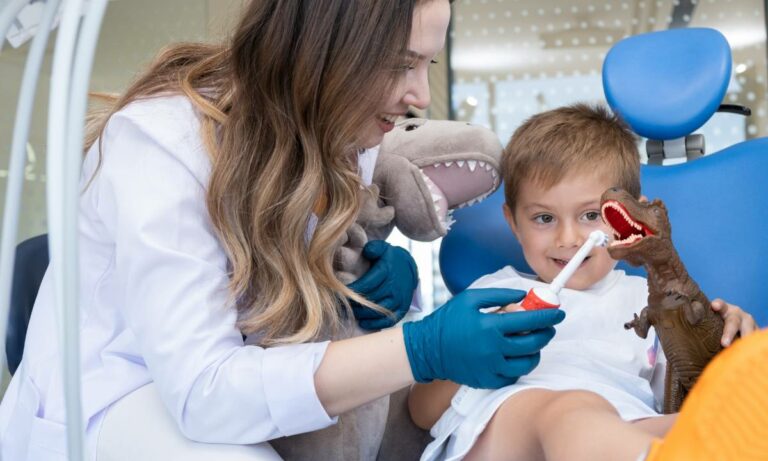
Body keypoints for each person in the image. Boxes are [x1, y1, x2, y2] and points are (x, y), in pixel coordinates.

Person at [0, 1, 568, 460]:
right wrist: (422, 348)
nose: (419, 94)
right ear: (324, 50)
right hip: (122, 399)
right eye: (401, 64)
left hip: (249, 379)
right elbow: (204, 390)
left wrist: (376, 280)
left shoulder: (342, 135)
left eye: (428, 65)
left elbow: (327, 264)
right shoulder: (159, 143)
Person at [409, 103, 759, 461]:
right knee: (575, 412)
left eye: (591, 215)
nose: (569, 238)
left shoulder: (651, 302)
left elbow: (702, 392)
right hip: (506, 434)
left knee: (703, 422)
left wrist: (733, 346)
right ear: (513, 223)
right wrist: (472, 349)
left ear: (626, 219)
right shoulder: (490, 295)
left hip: (623, 428)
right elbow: (420, 411)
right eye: (544, 218)